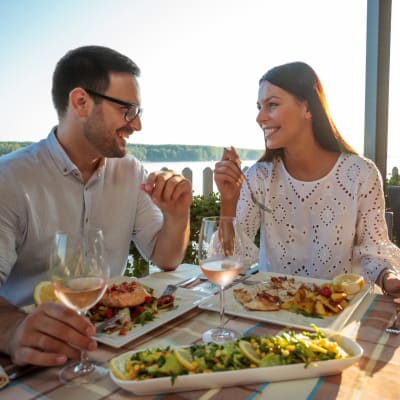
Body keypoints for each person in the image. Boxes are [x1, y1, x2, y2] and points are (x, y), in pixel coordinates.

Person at [0, 46, 192, 366]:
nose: (137, 125)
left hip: (114, 346)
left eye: (139, 112)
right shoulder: (10, 179)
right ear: (81, 102)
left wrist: (177, 215)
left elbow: (166, 258)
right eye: (128, 110)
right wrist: (13, 330)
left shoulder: (131, 172)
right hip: (31, 360)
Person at [214, 61, 400, 320]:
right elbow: (227, 263)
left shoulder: (361, 174)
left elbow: (373, 251)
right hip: (272, 313)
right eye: (259, 107)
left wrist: (390, 279)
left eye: (272, 105)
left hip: (340, 316)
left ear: (307, 107)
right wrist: (228, 201)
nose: (260, 117)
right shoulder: (260, 177)